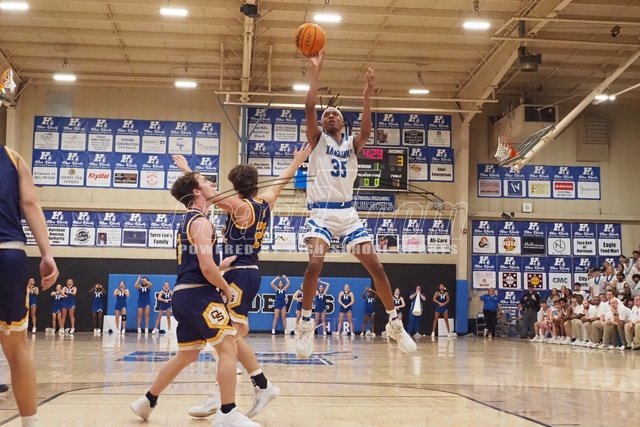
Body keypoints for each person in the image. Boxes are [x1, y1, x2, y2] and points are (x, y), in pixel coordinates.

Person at [294, 50, 415, 357]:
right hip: (321, 213)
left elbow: (366, 131)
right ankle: (305, 323)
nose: (329, 116)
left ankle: (394, 323)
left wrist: (367, 96)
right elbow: (309, 106)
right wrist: (315, 71)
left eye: (334, 114)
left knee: (377, 268)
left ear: (342, 122)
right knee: (315, 263)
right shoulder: (317, 140)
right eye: (326, 114)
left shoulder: (352, 144)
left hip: (347, 214)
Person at [176, 144, 310, 420]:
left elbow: (207, 195)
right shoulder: (266, 200)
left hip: (239, 272)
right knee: (228, 336)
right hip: (247, 271)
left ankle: (246, 389)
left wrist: (188, 171)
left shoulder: (239, 206)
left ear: (236, 188)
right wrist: (297, 160)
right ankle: (244, 388)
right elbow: (282, 180)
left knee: (227, 337)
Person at [130, 171, 258, 427]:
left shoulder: (189, 221)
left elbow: (202, 265)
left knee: (186, 355)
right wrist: (226, 287)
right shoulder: (201, 222)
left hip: (185, 294)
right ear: (197, 191)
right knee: (228, 347)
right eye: (205, 181)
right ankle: (227, 413)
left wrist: (219, 267)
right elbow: (206, 268)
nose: (211, 183)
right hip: (199, 294)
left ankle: (147, 400)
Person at [0, 144, 59, 427]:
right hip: (9, 254)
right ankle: (29, 423)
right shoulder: (12, 158)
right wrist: (47, 254)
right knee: (17, 349)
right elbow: (30, 203)